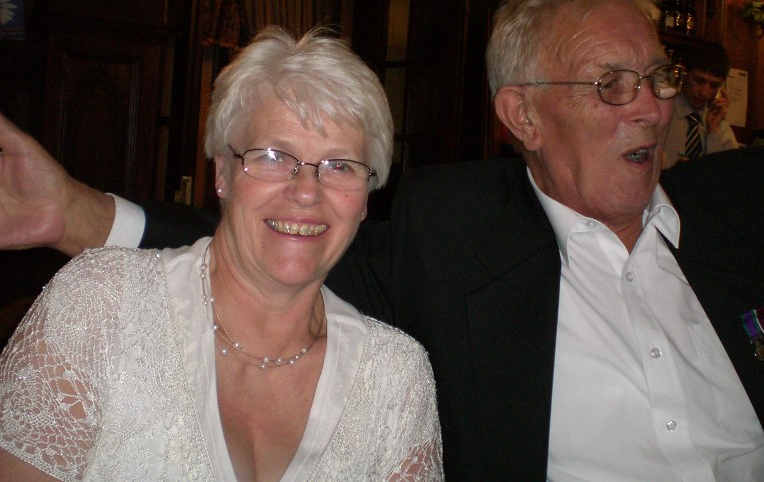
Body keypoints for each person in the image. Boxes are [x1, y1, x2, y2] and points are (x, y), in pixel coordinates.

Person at [1, 0, 764, 480]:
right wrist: (73, 210)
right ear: (522, 114)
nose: (653, 108)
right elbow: (273, 244)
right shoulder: (451, 232)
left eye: (658, 77)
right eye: (610, 84)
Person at [0, 27, 442, 480]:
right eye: (273, 156)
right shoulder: (100, 306)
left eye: (340, 165)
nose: (307, 191)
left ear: (366, 198)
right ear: (222, 174)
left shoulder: (396, 380)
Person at [661, 42, 738, 168]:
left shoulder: (721, 127)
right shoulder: (660, 114)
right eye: (699, 81)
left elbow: (728, 173)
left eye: (714, 85)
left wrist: (713, 132)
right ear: (684, 74)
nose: (704, 92)